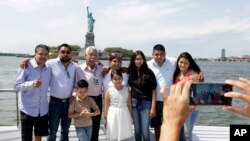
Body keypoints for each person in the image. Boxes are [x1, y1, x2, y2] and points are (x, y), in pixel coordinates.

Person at [20, 44, 78, 141]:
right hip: (55, 103)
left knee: (65, 130)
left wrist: (104, 68)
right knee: (52, 130)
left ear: (71, 54)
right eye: (63, 52)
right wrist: (27, 61)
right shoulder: (50, 64)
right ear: (58, 53)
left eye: (68, 52)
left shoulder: (75, 66)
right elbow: (38, 61)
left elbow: (77, 83)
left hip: (69, 103)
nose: (65, 54)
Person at [14, 44, 51, 141]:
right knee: (26, 138)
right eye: (40, 54)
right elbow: (16, 86)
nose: (43, 56)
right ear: (35, 54)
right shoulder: (26, 66)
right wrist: (31, 84)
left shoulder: (49, 68)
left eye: (46, 54)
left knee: (39, 136)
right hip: (27, 109)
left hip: (42, 109)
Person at [147, 44, 177, 141]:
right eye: (156, 54)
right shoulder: (148, 64)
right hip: (154, 100)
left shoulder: (173, 62)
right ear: (152, 54)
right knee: (156, 124)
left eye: (161, 54)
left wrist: (198, 72)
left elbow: (187, 64)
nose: (159, 57)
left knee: (169, 123)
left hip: (169, 99)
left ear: (165, 54)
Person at [173, 52, 204, 141]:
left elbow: (200, 90)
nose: (182, 64)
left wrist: (201, 78)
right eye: (181, 62)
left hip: (190, 109)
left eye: (185, 63)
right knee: (179, 132)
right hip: (179, 108)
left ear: (189, 63)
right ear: (178, 61)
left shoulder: (193, 74)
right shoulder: (177, 74)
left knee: (187, 134)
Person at [75, 46, 104, 141]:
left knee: (95, 126)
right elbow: (76, 86)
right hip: (84, 100)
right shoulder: (79, 69)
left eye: (95, 55)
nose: (93, 57)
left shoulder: (101, 68)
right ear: (85, 56)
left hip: (97, 99)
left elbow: (114, 69)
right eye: (91, 54)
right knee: (84, 125)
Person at [127, 50, 157, 141]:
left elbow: (154, 90)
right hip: (134, 103)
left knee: (145, 130)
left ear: (144, 60)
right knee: (137, 130)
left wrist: (153, 107)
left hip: (146, 103)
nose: (139, 61)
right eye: (136, 59)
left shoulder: (149, 72)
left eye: (141, 59)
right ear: (133, 60)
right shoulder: (130, 72)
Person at [104, 69, 133, 141]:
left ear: (122, 78)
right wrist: (106, 118)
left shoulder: (127, 90)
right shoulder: (109, 91)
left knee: (122, 133)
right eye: (115, 79)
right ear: (111, 79)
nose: (117, 81)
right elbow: (106, 105)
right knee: (114, 133)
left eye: (119, 78)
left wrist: (129, 115)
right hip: (112, 113)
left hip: (124, 113)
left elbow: (129, 104)